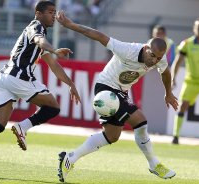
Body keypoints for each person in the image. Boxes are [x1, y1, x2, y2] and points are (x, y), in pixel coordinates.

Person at [56, 11, 178, 183]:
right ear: (145, 48)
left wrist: (168, 92)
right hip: (105, 89)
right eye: (152, 56)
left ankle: (70, 158)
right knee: (140, 121)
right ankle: (154, 164)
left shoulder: (160, 59)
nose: (154, 61)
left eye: (158, 58)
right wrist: (70, 25)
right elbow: (98, 35)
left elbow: (165, 73)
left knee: (112, 136)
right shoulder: (127, 50)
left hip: (121, 92)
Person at [0, 1, 81, 176]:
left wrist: (71, 84)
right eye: (50, 12)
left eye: (54, 12)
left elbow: (53, 65)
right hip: (18, 77)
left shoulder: (37, 33)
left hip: (2, 78)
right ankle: (23, 127)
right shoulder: (36, 27)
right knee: (53, 107)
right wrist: (56, 49)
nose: (53, 16)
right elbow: (39, 40)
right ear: (38, 13)